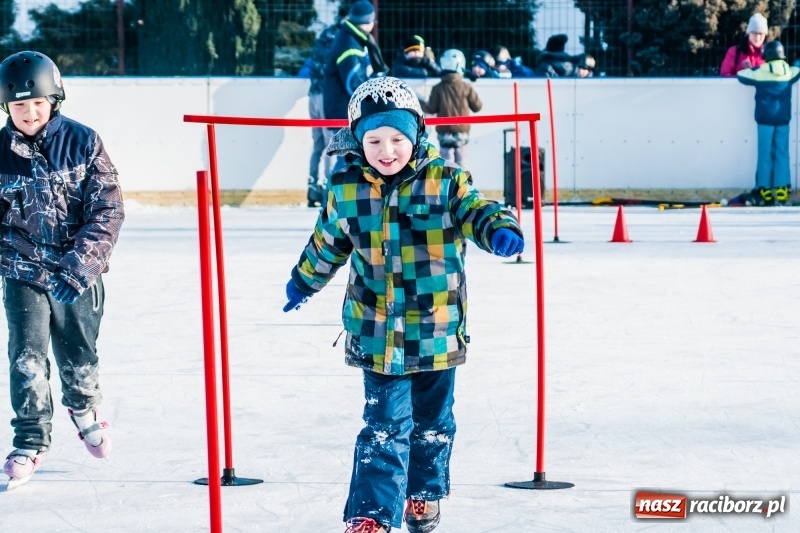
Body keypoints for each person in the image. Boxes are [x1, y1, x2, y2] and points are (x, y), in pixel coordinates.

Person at [281, 76, 523, 533]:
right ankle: (371, 514)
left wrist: (498, 229)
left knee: (432, 424)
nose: (386, 150)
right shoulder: (346, 187)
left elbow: (477, 209)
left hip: (435, 331)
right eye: (374, 139)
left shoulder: (445, 181)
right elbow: (327, 244)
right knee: (383, 426)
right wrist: (303, 282)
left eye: (397, 138)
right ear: (357, 138)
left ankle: (423, 494)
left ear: (416, 136)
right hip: (376, 333)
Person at [0, 51, 124, 486]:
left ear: (54, 100)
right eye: (19, 106)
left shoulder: (84, 142)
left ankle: (84, 406)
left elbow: (107, 210)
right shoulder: (0, 153)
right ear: (6, 107)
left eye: (37, 104)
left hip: (77, 274)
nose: (29, 113)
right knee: (26, 357)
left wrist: (79, 266)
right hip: (23, 271)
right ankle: (30, 441)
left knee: (79, 355)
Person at [322, 0, 388, 180]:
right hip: (342, 113)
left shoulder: (351, 38)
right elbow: (353, 84)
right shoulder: (351, 44)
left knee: (350, 158)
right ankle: (331, 201)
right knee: (346, 159)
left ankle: (337, 200)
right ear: (370, 21)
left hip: (344, 111)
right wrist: (375, 88)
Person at [737, 40, 800, 206]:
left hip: (764, 121)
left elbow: (741, 77)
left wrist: (748, 67)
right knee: (782, 153)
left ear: (767, 56)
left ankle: (763, 188)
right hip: (783, 120)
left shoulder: (760, 72)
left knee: (764, 154)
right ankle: (782, 188)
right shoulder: (790, 72)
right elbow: (798, 70)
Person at [305, 7, 347, 207]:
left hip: (313, 94)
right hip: (326, 96)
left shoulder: (325, 34)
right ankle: (328, 194)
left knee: (318, 145)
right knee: (333, 145)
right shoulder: (341, 38)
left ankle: (313, 188)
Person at [419, 49, 483, 167]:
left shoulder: (437, 88)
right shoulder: (466, 87)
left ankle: (447, 184)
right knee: (462, 162)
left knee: (446, 163)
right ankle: (463, 183)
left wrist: (419, 101)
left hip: (444, 132)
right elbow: (477, 107)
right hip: (462, 132)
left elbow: (431, 108)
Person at [720, 13, 768, 77]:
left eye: (761, 34)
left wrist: (750, 71)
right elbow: (725, 76)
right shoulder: (735, 52)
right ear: (748, 33)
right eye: (754, 33)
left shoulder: (769, 53)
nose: (758, 37)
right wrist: (743, 74)